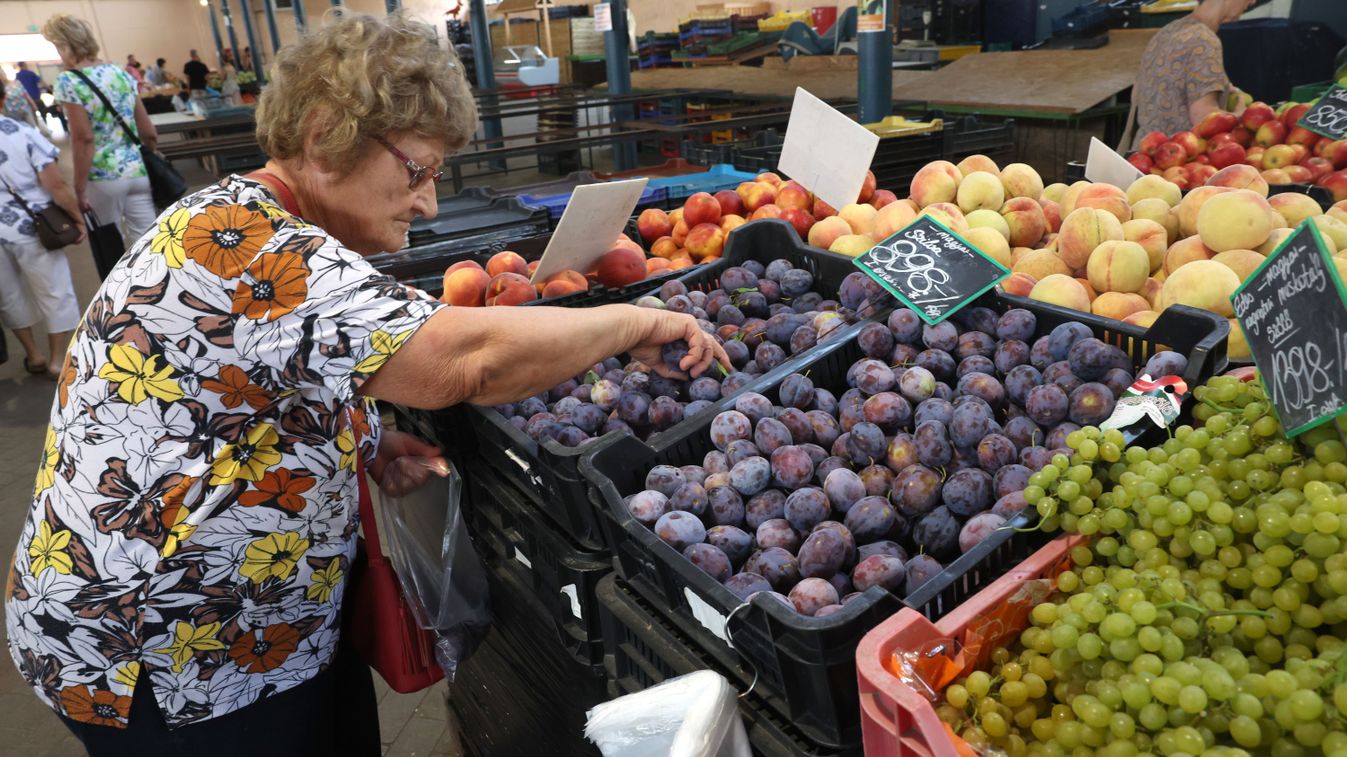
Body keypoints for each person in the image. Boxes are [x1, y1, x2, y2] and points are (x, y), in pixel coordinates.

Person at [5, 11, 726, 757]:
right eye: (416, 171)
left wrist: (364, 439)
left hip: (260, 630)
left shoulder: (249, 224)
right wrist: (632, 324)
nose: (428, 203)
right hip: (167, 654)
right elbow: (461, 362)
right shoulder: (244, 247)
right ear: (324, 136)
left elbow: (241, 388)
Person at [43, 14, 158, 244]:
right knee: (150, 246)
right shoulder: (120, 73)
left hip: (103, 178)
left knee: (110, 248)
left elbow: (84, 139)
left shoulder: (69, 81)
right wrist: (150, 154)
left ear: (66, 46)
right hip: (137, 173)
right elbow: (148, 131)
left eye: (57, 47)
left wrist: (80, 187)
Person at [0, 100, 85, 379]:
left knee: (9, 295)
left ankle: (33, 355)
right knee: (55, 290)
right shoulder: (22, 132)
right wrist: (76, 217)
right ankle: (57, 360)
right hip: (33, 228)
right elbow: (55, 184)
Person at [1131, 0, 1255, 147]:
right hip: (1176, 157)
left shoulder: (1168, 30)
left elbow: (1136, 94)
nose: (1253, 1)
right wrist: (1240, 115)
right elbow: (1203, 119)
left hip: (1143, 152)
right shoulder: (1205, 41)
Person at [1, 68, 50, 136]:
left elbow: (26, 94)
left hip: (25, 109)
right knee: (20, 131)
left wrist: (33, 104)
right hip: (12, 113)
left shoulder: (17, 82)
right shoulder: (2, 88)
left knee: (32, 128)